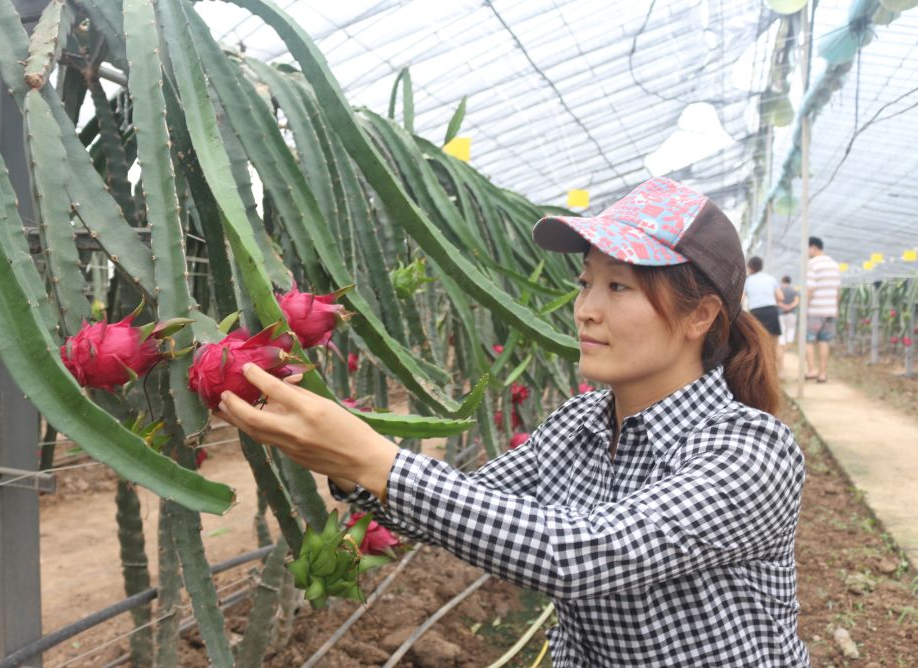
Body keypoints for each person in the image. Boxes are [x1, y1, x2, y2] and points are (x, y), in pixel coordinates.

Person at [216, 177, 808, 666]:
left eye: (618, 286)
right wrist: (348, 467)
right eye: (585, 284)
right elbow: (464, 506)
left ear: (700, 315)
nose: (586, 309)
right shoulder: (581, 424)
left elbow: (582, 554)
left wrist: (374, 459)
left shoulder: (751, 452)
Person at [805, 236, 841, 382]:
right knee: (824, 341)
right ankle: (822, 374)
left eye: (807, 248)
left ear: (813, 247)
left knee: (809, 341)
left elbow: (810, 288)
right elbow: (838, 290)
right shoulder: (834, 264)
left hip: (815, 310)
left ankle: (811, 370)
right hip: (830, 310)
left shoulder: (812, 264)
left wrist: (804, 306)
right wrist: (835, 307)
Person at [744, 256, 784, 372]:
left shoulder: (748, 280)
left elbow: (741, 299)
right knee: (775, 344)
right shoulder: (770, 279)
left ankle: (762, 372)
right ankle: (778, 372)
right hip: (771, 311)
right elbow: (781, 297)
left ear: (750, 267)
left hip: (756, 313)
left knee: (757, 344)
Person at [778, 275, 800, 350]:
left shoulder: (779, 290)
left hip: (781, 313)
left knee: (782, 330)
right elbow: (797, 301)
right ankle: (789, 347)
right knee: (791, 330)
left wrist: (784, 306)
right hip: (792, 313)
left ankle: (782, 347)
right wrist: (790, 307)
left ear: (782, 281)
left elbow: (776, 301)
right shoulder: (794, 290)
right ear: (789, 282)